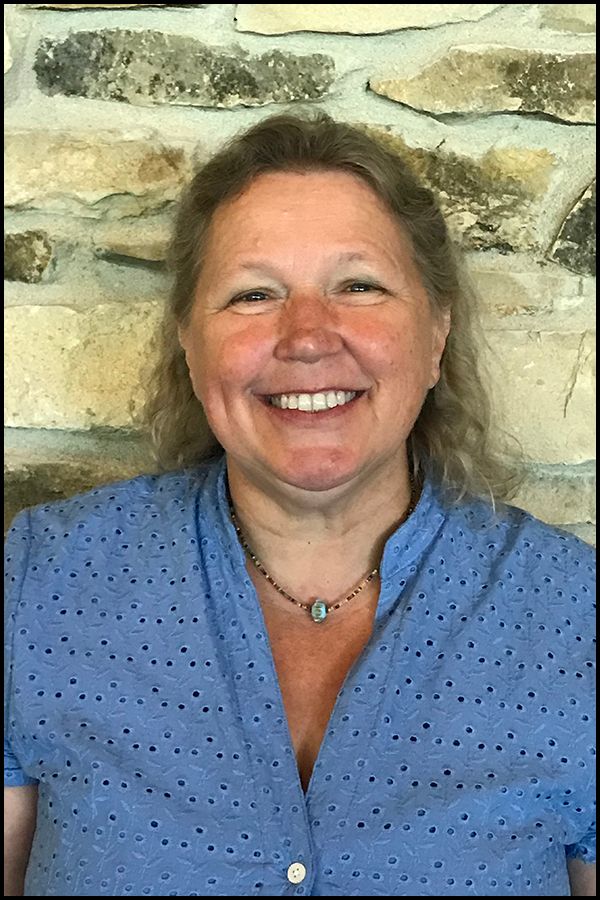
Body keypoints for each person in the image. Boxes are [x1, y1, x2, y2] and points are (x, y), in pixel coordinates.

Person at [4, 112, 595, 898]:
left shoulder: (571, 615)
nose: (308, 335)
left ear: (437, 331)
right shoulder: (43, 585)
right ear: (188, 339)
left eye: (359, 285)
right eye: (254, 294)